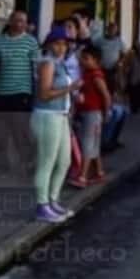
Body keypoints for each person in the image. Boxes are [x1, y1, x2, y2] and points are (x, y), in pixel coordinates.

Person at [30, 27, 80, 223]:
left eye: (65, 44)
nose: (62, 47)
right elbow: (44, 94)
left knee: (64, 161)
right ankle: (42, 206)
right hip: (46, 116)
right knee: (46, 162)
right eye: (58, 43)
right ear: (49, 44)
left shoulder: (60, 64)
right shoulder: (47, 63)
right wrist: (70, 88)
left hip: (60, 116)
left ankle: (52, 200)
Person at [0, 11, 39, 178]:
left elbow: (37, 69)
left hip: (22, 94)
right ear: (11, 21)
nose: (21, 23)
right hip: (1, 94)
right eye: (17, 20)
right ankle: (1, 168)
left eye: (24, 21)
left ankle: (27, 164)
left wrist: (39, 94)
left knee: (20, 132)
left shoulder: (31, 42)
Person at [74, 45, 110, 186]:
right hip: (87, 112)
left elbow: (106, 95)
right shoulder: (87, 73)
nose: (82, 61)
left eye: (86, 58)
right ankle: (99, 172)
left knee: (87, 144)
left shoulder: (96, 76)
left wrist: (106, 113)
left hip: (93, 114)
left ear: (96, 61)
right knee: (94, 145)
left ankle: (83, 176)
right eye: (82, 58)